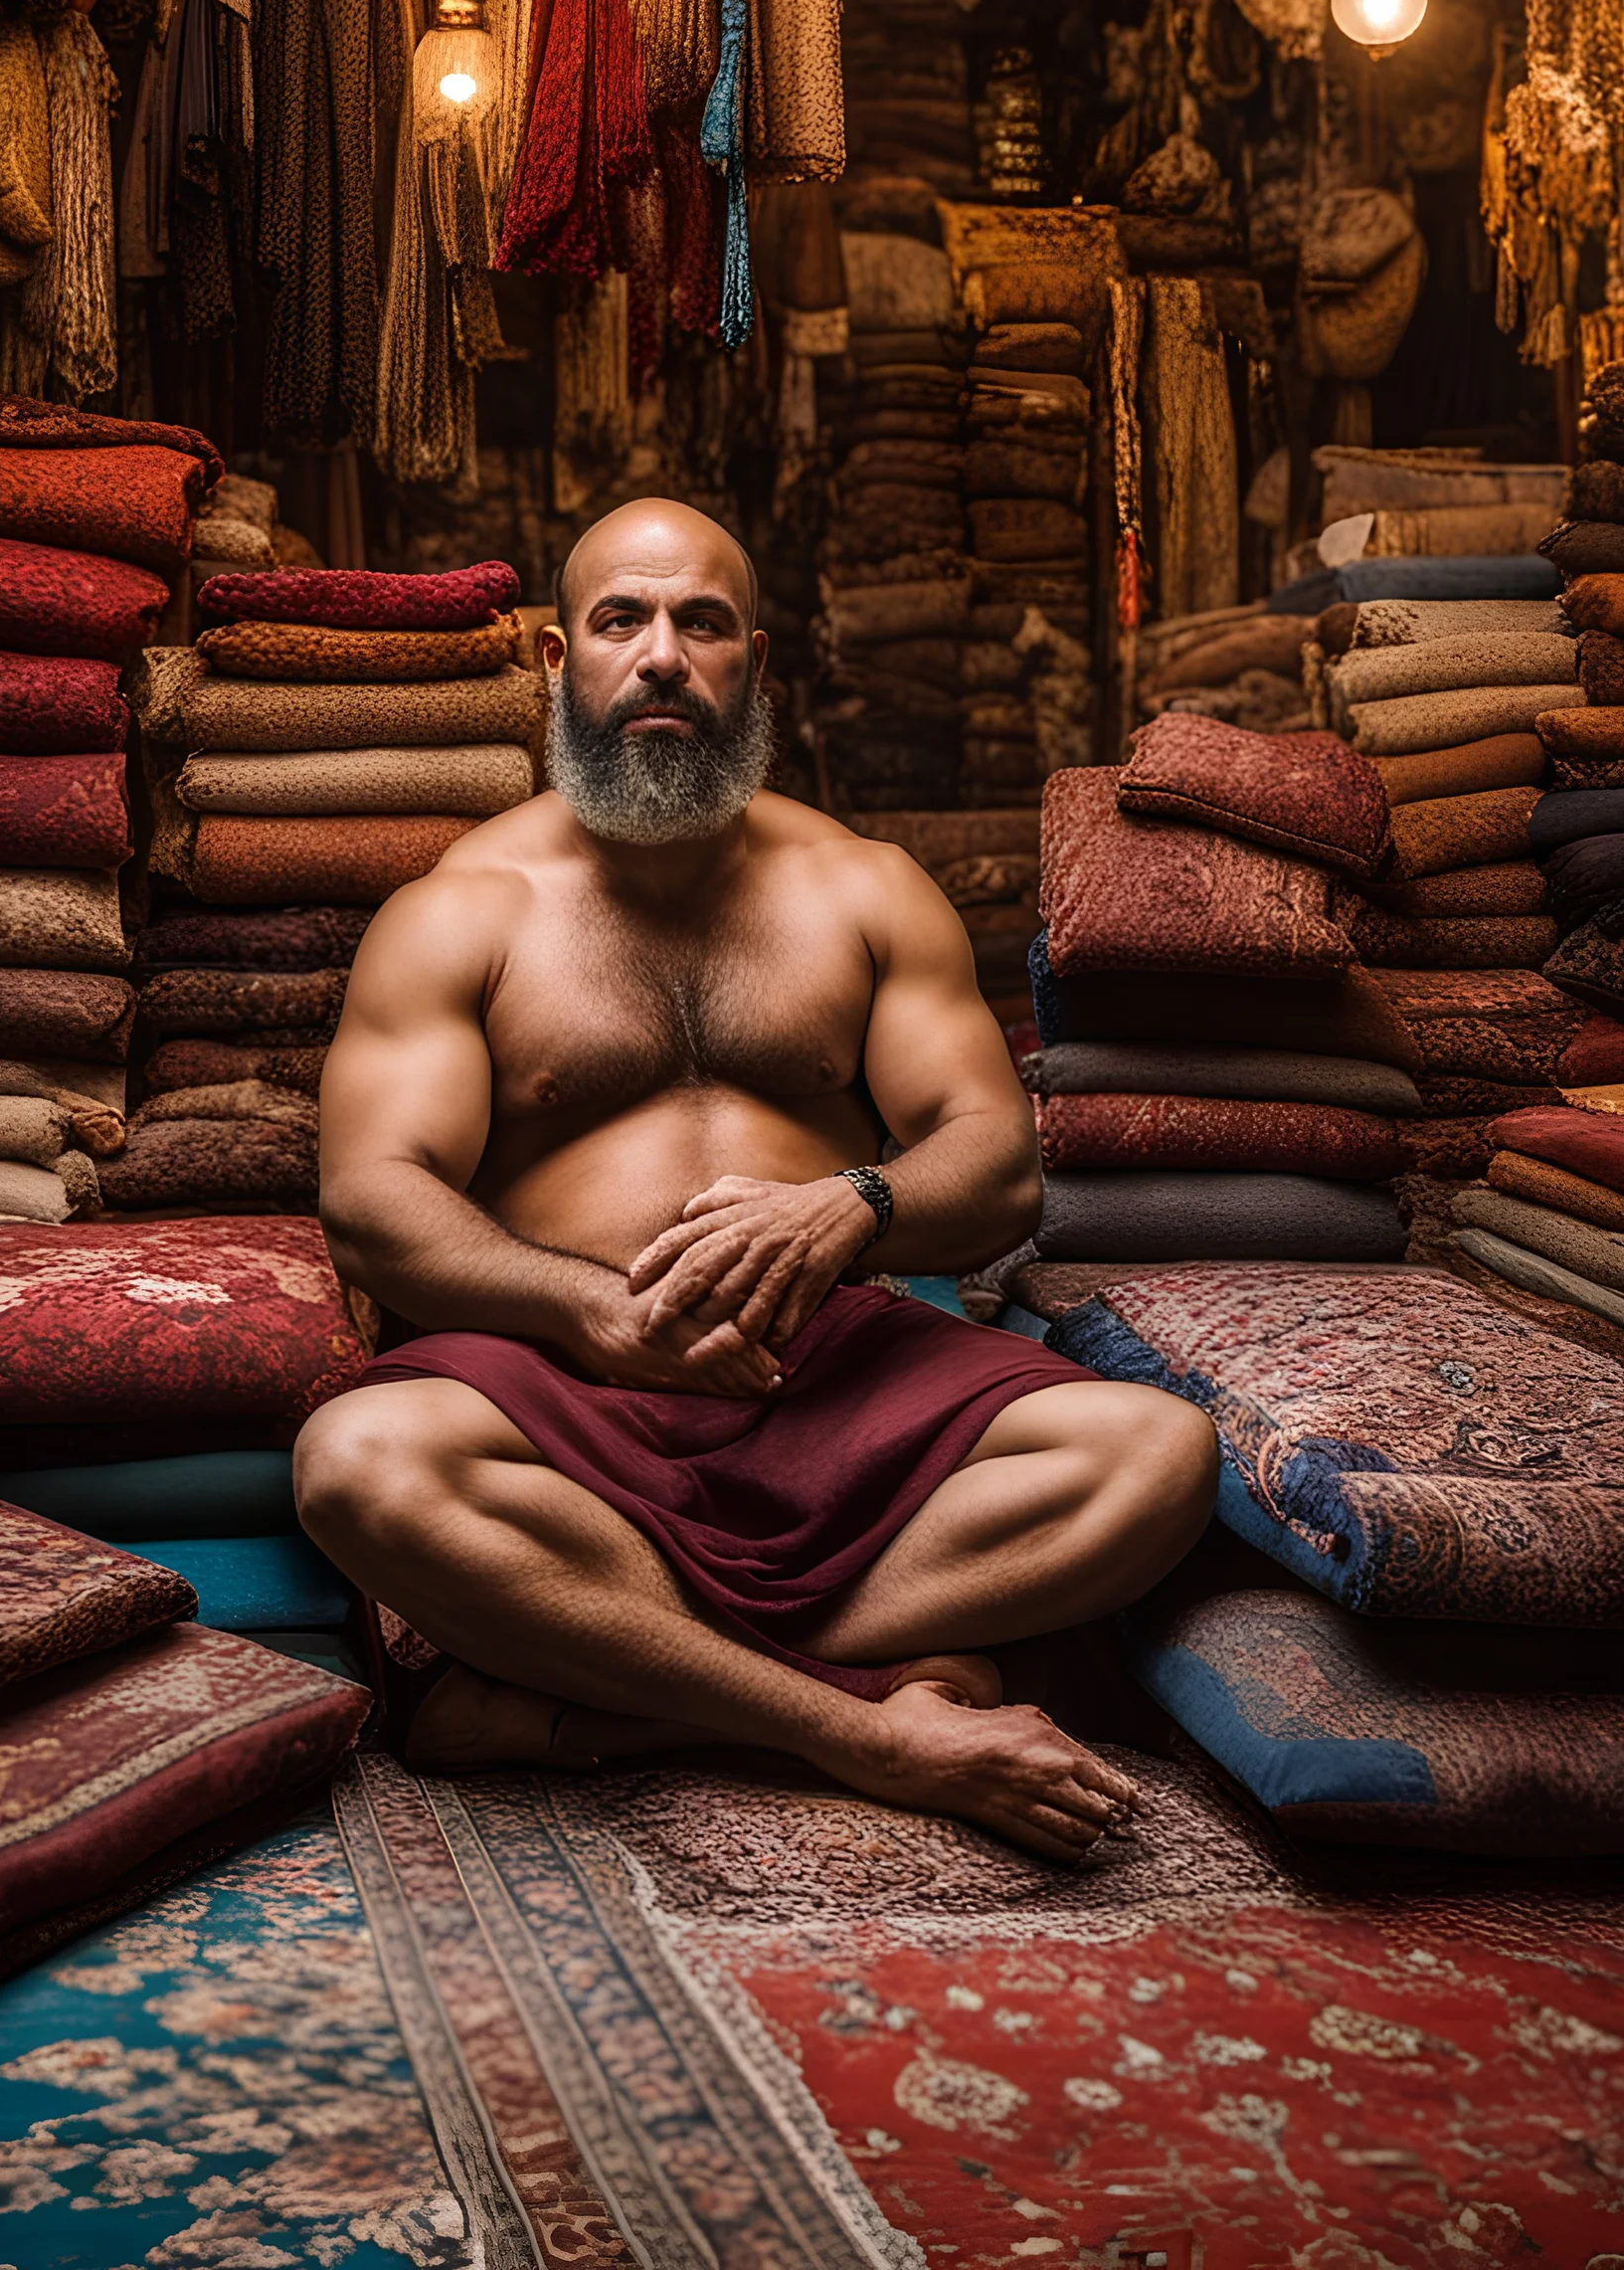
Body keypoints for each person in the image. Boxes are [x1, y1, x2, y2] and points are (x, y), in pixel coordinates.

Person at [296, 497, 1217, 1863]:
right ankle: (873, 1728)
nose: (660, 655)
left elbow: (995, 1160)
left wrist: (854, 1204)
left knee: (1157, 1454)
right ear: (557, 661)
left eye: (700, 623)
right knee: (359, 1466)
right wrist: (590, 1314)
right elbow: (375, 1196)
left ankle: (618, 1692)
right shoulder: (461, 908)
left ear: (755, 664)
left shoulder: (863, 889)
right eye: (622, 620)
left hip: (829, 1377)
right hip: (569, 1388)